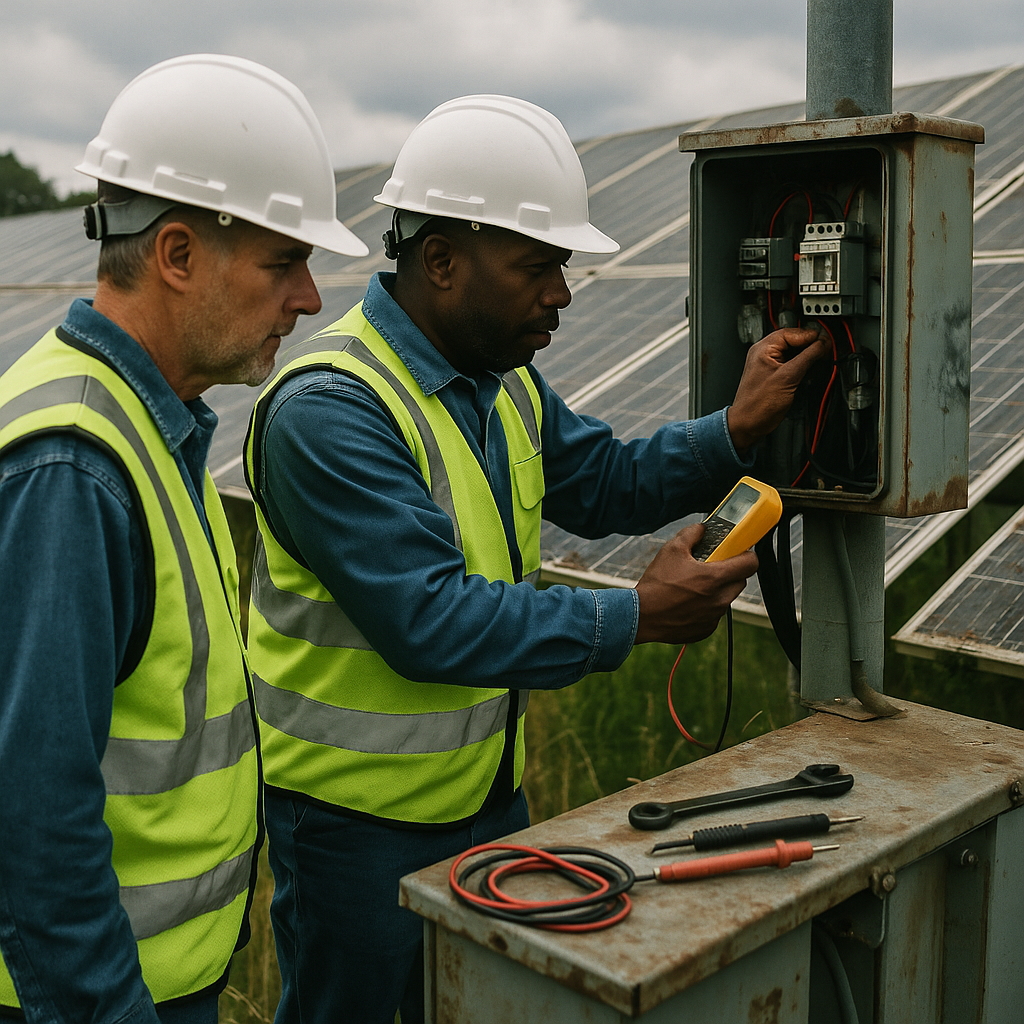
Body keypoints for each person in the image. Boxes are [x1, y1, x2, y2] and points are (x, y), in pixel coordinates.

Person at [243, 94, 826, 1024]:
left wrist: (733, 429)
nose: (561, 292)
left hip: (485, 798)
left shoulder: (502, 380)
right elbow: (429, 620)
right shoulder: (331, 409)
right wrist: (635, 616)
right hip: (354, 830)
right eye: (539, 267)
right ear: (442, 260)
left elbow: (603, 481)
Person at [0, 54, 367, 1024]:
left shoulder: (148, 422)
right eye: (283, 262)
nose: (310, 299)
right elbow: (34, 826)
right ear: (175, 254)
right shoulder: (73, 467)